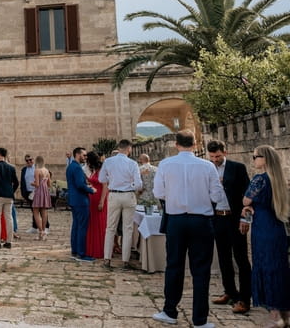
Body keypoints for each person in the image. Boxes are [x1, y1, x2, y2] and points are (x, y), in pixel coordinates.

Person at [151, 130, 225, 328]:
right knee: (201, 269)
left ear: (176, 144)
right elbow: (217, 196)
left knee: (174, 265)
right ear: (195, 144)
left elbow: (158, 192)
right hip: (201, 220)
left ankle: (170, 310)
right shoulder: (208, 166)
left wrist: (175, 196)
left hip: (176, 220)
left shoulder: (165, 165)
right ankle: (200, 319)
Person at [239, 145, 290, 328]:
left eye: (255, 157)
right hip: (277, 227)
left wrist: (247, 206)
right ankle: (285, 315)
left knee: (266, 268)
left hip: (263, 229)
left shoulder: (259, 179)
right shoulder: (278, 179)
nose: (253, 160)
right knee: (280, 269)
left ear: (265, 158)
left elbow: (246, 200)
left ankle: (275, 316)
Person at [206, 140, 251, 315]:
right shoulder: (207, 168)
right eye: (212, 157)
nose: (215, 159)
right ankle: (230, 292)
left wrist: (245, 219)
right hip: (217, 218)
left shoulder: (237, 168)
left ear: (225, 153)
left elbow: (247, 195)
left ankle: (245, 299)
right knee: (224, 257)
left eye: (217, 156)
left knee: (241, 259)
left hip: (235, 218)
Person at [98, 139, 142, 270]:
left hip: (114, 194)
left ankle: (107, 259)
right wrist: (131, 185)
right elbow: (139, 184)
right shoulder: (132, 163)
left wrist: (112, 180)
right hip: (128, 195)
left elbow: (101, 179)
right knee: (128, 229)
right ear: (129, 149)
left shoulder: (108, 161)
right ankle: (125, 261)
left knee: (110, 227)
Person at [67, 147, 95, 261]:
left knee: (76, 226)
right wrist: (91, 190)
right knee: (82, 227)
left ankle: (75, 250)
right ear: (78, 155)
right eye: (84, 155)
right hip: (80, 200)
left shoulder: (70, 166)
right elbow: (79, 184)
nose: (85, 157)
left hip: (73, 200)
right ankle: (81, 253)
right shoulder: (77, 168)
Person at [86, 150, 107, 259]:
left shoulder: (102, 170)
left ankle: (99, 249)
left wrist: (102, 201)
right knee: (93, 223)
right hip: (92, 197)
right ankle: (92, 248)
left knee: (99, 223)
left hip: (99, 198)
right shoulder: (95, 170)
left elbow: (105, 186)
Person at [30, 155, 51, 241]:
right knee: (44, 211)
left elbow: (37, 184)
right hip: (45, 192)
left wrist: (32, 183)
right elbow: (49, 184)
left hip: (39, 192)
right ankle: (44, 232)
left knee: (36, 212)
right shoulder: (47, 171)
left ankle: (40, 231)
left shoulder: (37, 170)